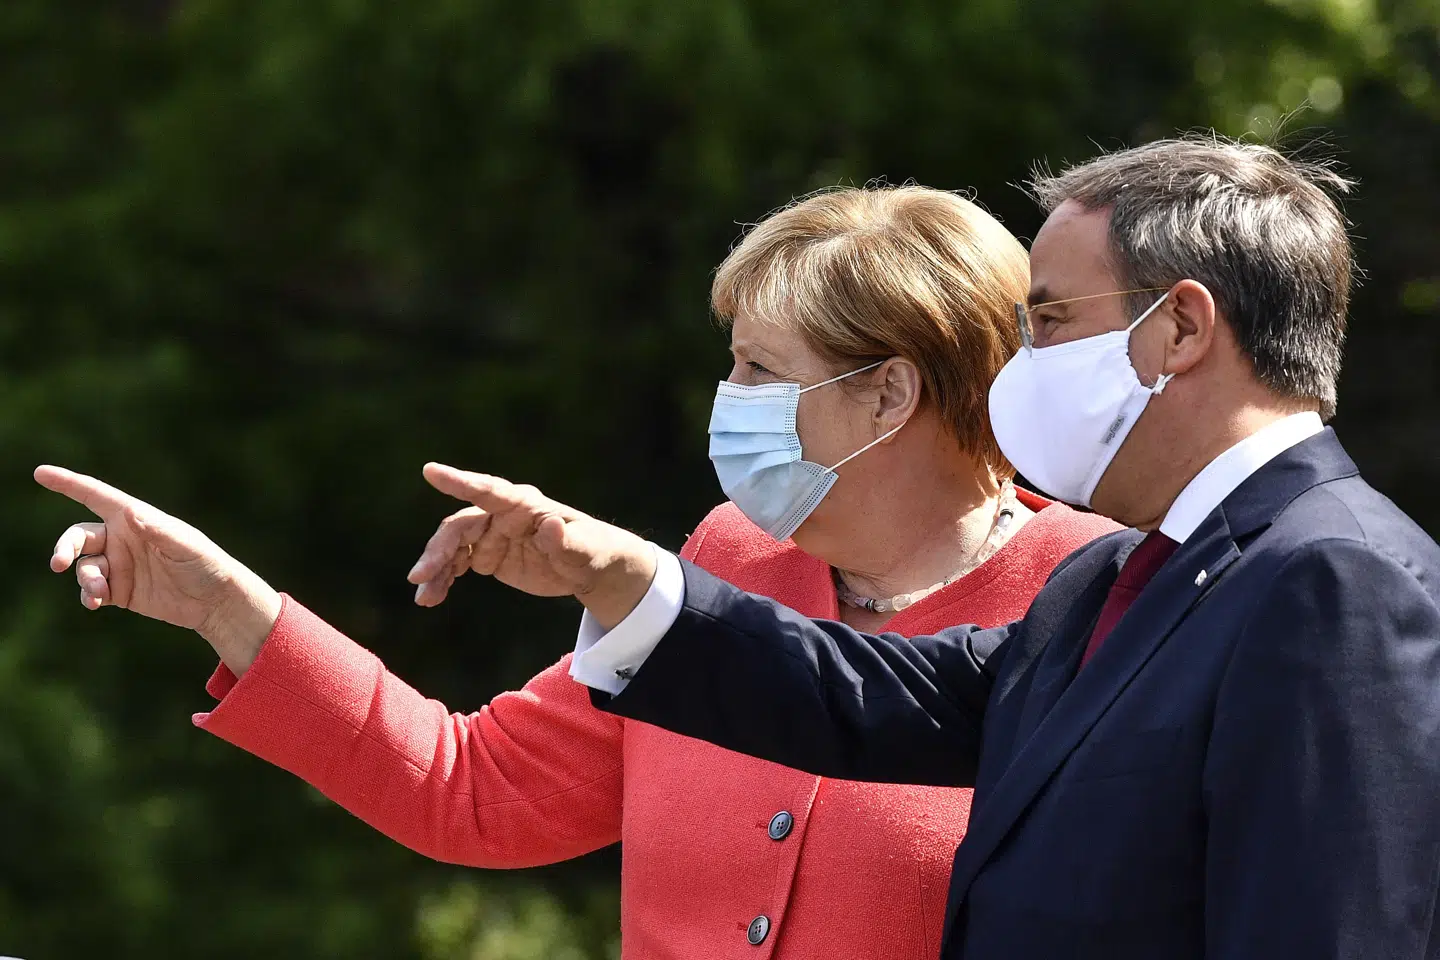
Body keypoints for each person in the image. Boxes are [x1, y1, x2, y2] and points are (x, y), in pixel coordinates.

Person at [251, 136, 1440, 958]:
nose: (1027, 361)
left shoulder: (1332, 576)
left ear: (1180, 326)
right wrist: (619, 578)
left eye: (1053, 322)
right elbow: (875, 696)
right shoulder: (1128, 577)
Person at [35, 187, 1118, 958]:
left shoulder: (1098, 598)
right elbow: (476, 790)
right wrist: (227, 606)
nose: (726, 397)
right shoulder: (726, 561)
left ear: (890, 396)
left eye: (758, 369)